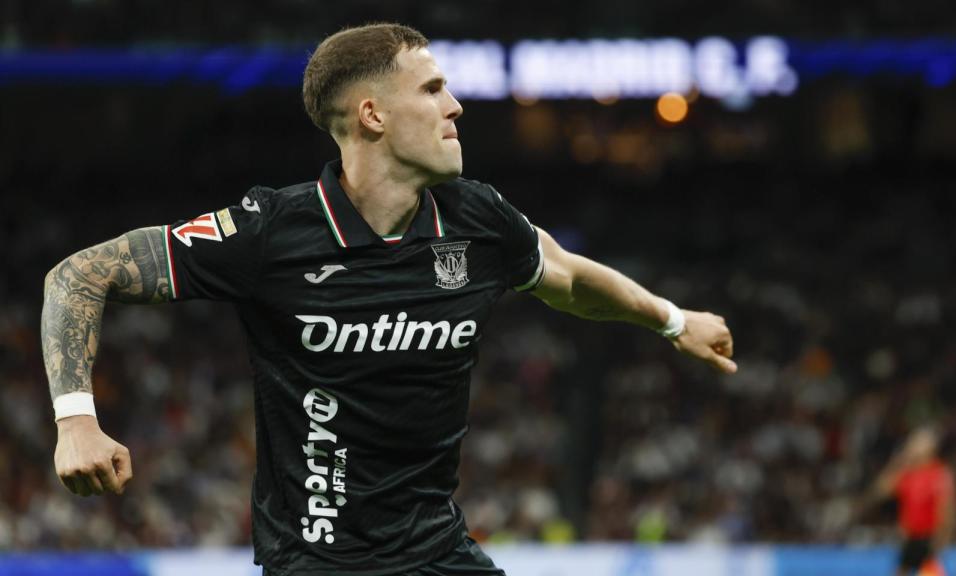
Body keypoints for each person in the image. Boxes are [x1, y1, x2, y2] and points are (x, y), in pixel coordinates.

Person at [40, 23, 736, 575]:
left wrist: (674, 321)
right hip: (318, 562)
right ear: (372, 114)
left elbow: (568, 277)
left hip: (437, 552)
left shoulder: (475, 219)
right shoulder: (273, 231)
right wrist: (76, 421)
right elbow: (79, 274)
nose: (456, 106)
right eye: (432, 89)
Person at [868, 427, 956, 576]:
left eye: (918, 443)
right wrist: (899, 462)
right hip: (909, 538)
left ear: (931, 447)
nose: (913, 446)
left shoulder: (939, 472)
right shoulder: (907, 472)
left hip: (929, 538)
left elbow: (946, 507)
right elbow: (880, 491)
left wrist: (943, 536)